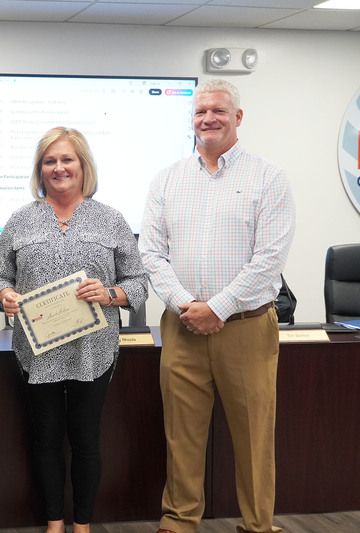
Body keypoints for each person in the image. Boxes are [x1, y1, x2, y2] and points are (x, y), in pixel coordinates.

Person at [139, 80, 295, 533]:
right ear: (191, 119)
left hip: (246, 327)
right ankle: (180, 521)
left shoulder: (268, 177)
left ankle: (257, 525)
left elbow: (270, 258)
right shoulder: (167, 179)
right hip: (182, 326)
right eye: (200, 111)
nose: (208, 118)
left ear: (238, 118)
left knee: (253, 436)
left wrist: (219, 308)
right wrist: (188, 304)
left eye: (219, 111)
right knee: (181, 435)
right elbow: (151, 252)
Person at [0, 126, 147, 533]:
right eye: (49, 161)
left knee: (86, 439)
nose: (58, 168)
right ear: (40, 170)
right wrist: (4, 294)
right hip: (36, 350)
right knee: (45, 439)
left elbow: (138, 284)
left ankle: (83, 524)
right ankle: (54, 522)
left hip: (93, 350)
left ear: (83, 166)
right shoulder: (19, 219)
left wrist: (110, 292)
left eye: (67, 159)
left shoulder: (111, 219)